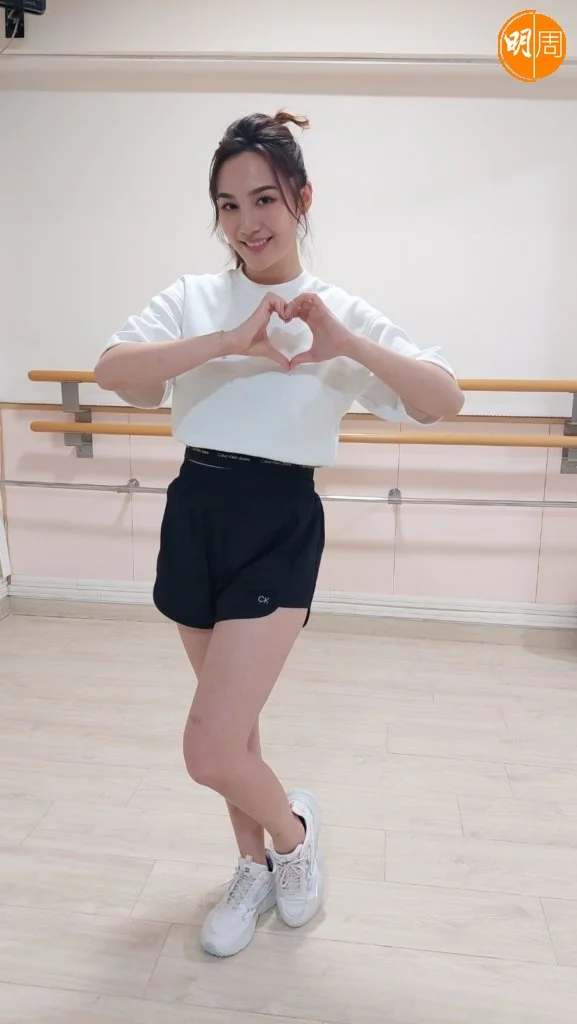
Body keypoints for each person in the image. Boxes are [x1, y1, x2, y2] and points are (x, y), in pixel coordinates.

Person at [94, 110, 464, 959]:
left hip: (279, 521)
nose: (246, 222)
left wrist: (346, 344)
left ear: (301, 198)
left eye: (263, 198)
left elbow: (443, 397)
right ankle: (250, 863)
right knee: (237, 730)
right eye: (227, 205)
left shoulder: (336, 312)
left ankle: (293, 839)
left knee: (208, 746)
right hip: (197, 509)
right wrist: (229, 342)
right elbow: (113, 369)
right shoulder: (194, 297)